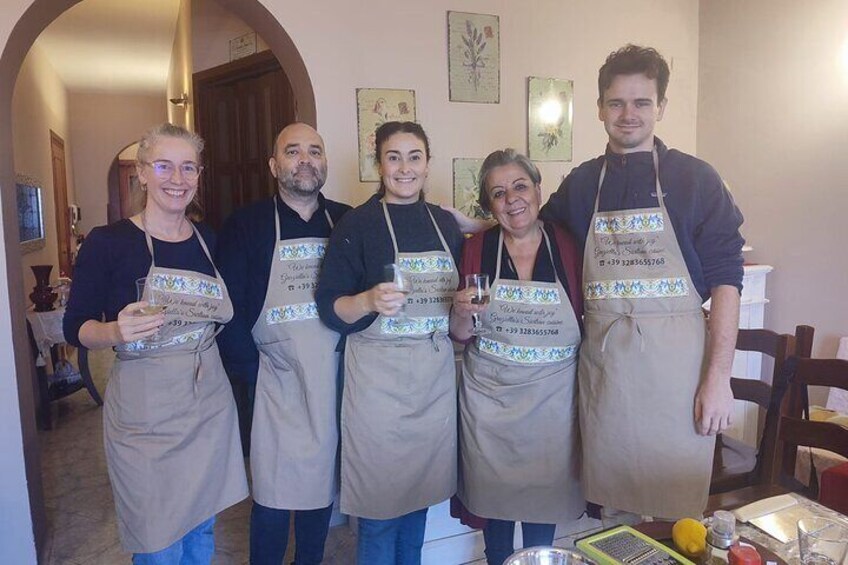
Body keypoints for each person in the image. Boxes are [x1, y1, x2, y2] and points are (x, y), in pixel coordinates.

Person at [542, 45, 745, 520]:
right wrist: (466, 228)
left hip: (678, 375)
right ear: (599, 109)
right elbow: (534, 233)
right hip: (607, 371)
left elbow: (727, 282)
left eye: (641, 103)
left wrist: (718, 379)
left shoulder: (696, 179)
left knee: (676, 519)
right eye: (616, 103)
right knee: (609, 512)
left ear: (661, 108)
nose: (628, 115)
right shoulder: (581, 183)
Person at [63, 123, 248, 563]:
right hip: (145, 413)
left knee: (202, 525)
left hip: (207, 401)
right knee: (156, 539)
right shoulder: (108, 243)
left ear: (199, 175)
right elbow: (75, 327)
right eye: (164, 165)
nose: (177, 179)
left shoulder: (210, 241)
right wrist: (112, 332)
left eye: (188, 168)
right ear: (143, 173)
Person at [316, 121, 463, 564]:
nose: (404, 168)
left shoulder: (444, 224)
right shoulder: (356, 224)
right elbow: (329, 307)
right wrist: (366, 299)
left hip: (432, 386)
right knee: (379, 516)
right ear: (378, 164)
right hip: (378, 393)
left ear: (427, 164)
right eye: (393, 157)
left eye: (414, 157)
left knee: (418, 504)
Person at [216, 123, 351, 565]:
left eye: (315, 150)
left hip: (334, 378)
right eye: (293, 152)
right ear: (275, 166)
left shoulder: (348, 221)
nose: (306, 160)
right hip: (274, 381)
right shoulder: (246, 224)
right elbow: (228, 312)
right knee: (273, 498)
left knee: (319, 490)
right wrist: (257, 375)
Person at [450, 149, 585, 565]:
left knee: (543, 506)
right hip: (491, 405)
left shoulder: (569, 245)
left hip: (553, 405)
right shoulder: (476, 249)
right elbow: (459, 335)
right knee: (497, 509)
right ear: (489, 205)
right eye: (498, 193)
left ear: (538, 190)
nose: (512, 199)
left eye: (520, 186)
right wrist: (459, 310)